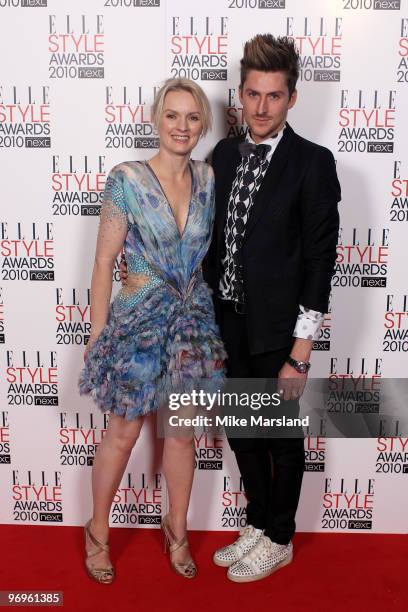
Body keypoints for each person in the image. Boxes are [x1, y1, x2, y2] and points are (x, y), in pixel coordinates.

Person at [78, 78, 226, 584]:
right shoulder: (127, 179)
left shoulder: (209, 178)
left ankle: (177, 530)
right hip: (137, 322)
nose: (181, 126)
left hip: (192, 323)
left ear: (203, 124)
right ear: (156, 120)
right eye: (172, 115)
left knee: (181, 435)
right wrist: (97, 333)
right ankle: (98, 532)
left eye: (191, 117)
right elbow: (103, 263)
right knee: (122, 432)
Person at [205, 34, 341, 582]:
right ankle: (258, 523)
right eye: (252, 95)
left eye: (274, 96)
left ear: (292, 98)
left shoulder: (313, 163)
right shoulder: (223, 153)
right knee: (242, 431)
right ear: (240, 94)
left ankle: (281, 536)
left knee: (281, 440)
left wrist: (300, 354)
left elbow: (319, 261)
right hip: (228, 323)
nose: (260, 108)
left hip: (281, 334)